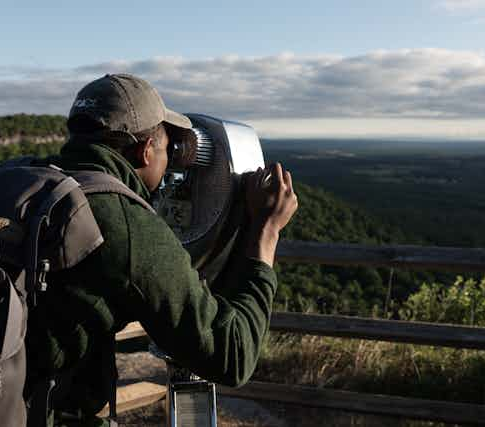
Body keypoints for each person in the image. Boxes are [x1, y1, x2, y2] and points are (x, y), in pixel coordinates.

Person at [24, 73, 298, 425]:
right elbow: (232, 355)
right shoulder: (121, 220)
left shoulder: (31, 180)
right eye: (169, 149)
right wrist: (267, 229)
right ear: (145, 150)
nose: (174, 163)